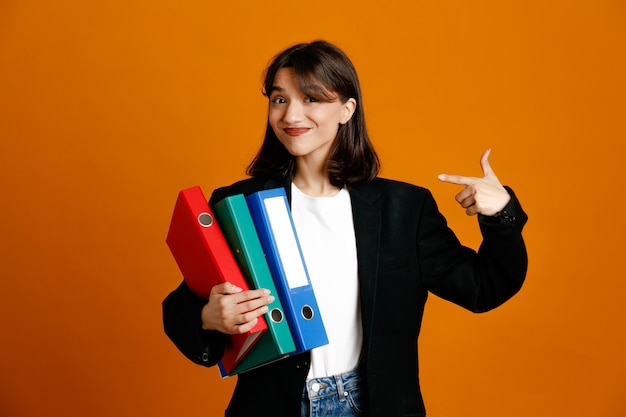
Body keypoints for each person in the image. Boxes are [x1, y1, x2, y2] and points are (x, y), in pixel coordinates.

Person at [162, 40, 528, 417]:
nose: (291, 116)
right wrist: (209, 316)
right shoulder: (240, 204)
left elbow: (485, 286)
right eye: (279, 99)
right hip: (272, 406)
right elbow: (179, 307)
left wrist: (502, 214)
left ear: (346, 109)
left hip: (371, 404)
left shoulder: (403, 209)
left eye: (312, 99)